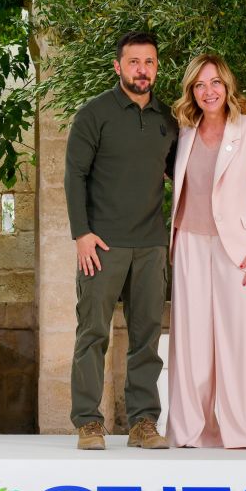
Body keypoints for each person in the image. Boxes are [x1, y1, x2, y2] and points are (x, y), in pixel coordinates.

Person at [64, 31, 179, 450]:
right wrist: (82, 234)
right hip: (102, 245)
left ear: (157, 68)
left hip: (151, 245)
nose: (141, 70)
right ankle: (88, 422)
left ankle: (143, 422)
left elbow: (182, 175)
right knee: (93, 333)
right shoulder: (94, 114)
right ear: (118, 66)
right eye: (134, 62)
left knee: (146, 337)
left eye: (149, 62)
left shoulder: (168, 120)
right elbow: (74, 176)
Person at [165, 53, 246, 449]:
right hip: (189, 243)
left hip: (239, 250)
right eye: (200, 85)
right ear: (191, 91)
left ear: (227, 86)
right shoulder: (183, 133)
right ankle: (191, 431)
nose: (208, 91)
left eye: (215, 82)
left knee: (239, 340)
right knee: (191, 341)